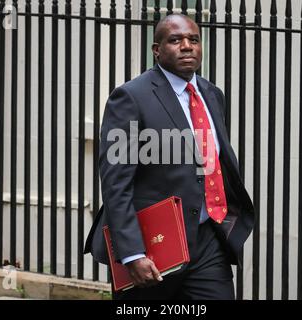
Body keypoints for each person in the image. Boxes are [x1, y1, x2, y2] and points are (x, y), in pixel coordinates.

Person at [84, 13, 254, 300]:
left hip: (207, 242)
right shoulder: (130, 97)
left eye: (194, 40)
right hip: (155, 247)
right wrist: (132, 253)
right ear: (157, 49)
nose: (187, 46)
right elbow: (116, 183)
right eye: (175, 40)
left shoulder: (212, 95)